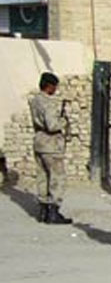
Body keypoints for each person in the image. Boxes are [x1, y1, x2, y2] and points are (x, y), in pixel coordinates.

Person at [28, 72, 72, 224]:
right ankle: (53, 211)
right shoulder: (48, 103)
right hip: (51, 144)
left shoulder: (35, 100)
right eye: (54, 86)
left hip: (39, 141)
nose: (55, 89)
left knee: (42, 177)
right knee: (57, 178)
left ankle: (43, 210)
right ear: (49, 86)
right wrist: (64, 122)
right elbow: (52, 125)